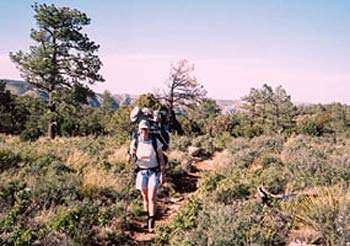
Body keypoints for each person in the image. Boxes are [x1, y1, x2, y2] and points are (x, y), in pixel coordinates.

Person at [129, 119, 166, 232]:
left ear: (149, 130)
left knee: (151, 197)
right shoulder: (135, 141)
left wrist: (162, 174)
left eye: (146, 129)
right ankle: (147, 219)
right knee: (145, 197)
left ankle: (151, 222)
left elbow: (161, 158)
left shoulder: (155, 141)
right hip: (141, 172)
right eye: (142, 129)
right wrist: (131, 153)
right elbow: (131, 156)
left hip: (153, 172)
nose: (144, 131)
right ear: (139, 130)